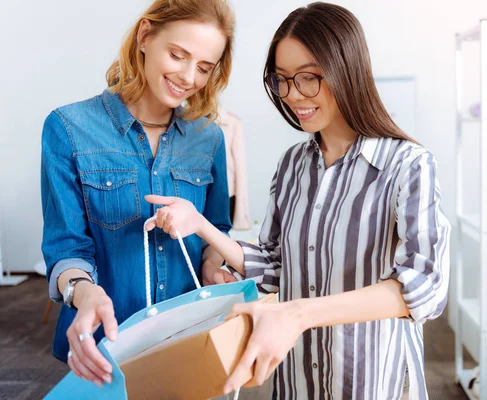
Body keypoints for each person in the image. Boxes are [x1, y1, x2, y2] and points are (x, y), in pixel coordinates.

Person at [146, 2, 451, 399]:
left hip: (372, 381)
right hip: (297, 381)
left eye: (308, 78)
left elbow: (426, 287)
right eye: (282, 80)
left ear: (347, 70)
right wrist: (200, 225)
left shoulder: (407, 165)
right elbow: (274, 267)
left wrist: (297, 313)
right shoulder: (292, 166)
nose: (292, 95)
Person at [40, 0, 236, 387]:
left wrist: (214, 265)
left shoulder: (208, 137)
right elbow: (66, 248)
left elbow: (216, 228)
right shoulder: (68, 128)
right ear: (145, 36)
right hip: (106, 347)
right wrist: (85, 294)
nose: (187, 77)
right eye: (178, 55)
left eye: (204, 67)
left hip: (189, 338)